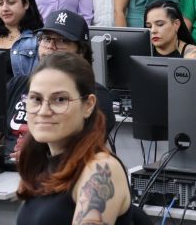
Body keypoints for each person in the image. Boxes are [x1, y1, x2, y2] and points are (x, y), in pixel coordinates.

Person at [16, 52, 133, 224]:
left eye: (60, 99)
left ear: (88, 105)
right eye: (36, 99)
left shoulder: (100, 169)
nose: (43, 111)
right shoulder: (39, 164)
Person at [0, 9, 115, 162]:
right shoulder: (17, 83)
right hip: (4, 173)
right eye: (46, 39)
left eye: (62, 40)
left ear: (81, 51)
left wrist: (36, 156)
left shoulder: (96, 95)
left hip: (56, 173)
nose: (51, 46)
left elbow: (86, 148)